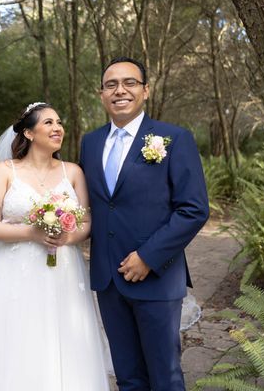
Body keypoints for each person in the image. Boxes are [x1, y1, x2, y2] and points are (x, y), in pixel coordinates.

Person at [0, 102, 112, 391]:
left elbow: (85, 224)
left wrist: (66, 237)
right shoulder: (5, 171)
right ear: (28, 132)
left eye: (59, 122)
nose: (57, 128)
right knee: (16, 338)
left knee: (65, 338)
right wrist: (32, 233)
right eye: (48, 122)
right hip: (14, 272)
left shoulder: (72, 172)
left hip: (64, 270)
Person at [79, 57, 209, 391]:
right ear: (101, 94)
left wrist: (148, 257)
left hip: (157, 277)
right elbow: (92, 206)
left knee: (165, 376)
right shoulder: (90, 144)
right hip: (108, 279)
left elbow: (193, 209)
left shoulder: (173, 139)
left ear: (146, 90)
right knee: (128, 377)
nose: (119, 90)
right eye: (111, 85)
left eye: (129, 83)